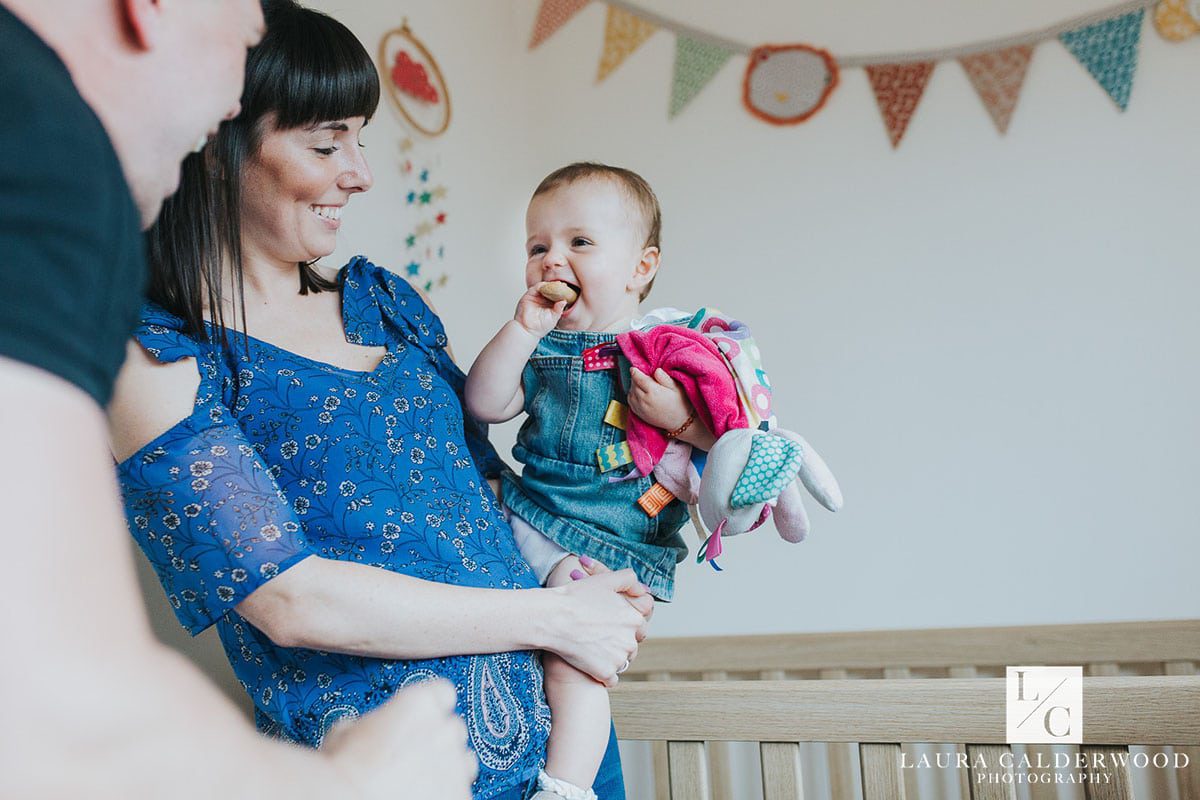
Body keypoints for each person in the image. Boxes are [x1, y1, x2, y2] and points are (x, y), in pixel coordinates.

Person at [106, 3, 652, 799]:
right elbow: (288, 598)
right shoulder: (157, 355)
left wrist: (585, 570)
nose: (358, 172)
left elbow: (488, 491)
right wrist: (553, 620)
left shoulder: (386, 305)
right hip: (393, 776)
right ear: (221, 143)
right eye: (328, 144)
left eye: (359, 140)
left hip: (566, 754)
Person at [0, 0, 479, 797]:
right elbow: (61, 708)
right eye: (245, 36)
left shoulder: (385, 303)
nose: (231, 99)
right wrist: (352, 785)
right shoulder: (42, 143)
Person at [465, 163, 718, 800]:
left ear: (641, 265)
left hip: (611, 545)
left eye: (580, 242)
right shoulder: (542, 347)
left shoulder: (671, 348)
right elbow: (484, 405)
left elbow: (730, 439)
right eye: (537, 247)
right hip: (536, 512)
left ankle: (567, 788)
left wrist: (681, 420)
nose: (553, 260)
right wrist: (523, 330)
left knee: (573, 664)